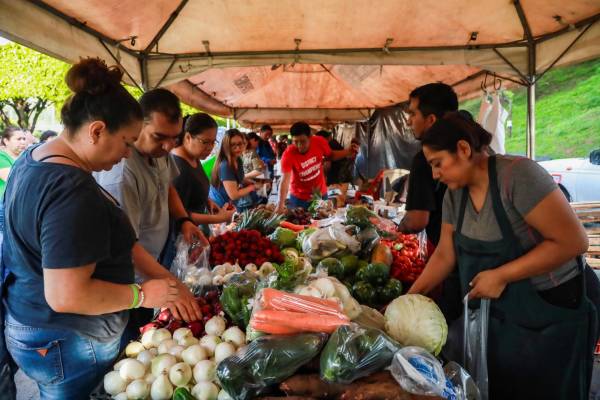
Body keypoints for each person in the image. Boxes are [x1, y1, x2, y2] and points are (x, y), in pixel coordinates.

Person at [1, 58, 180, 399]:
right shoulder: (72, 190)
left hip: (34, 322)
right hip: (66, 337)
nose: (128, 155)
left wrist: (167, 281)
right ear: (97, 130)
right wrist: (142, 295)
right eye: (127, 142)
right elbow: (67, 294)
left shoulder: (36, 157)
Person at [408, 112, 600, 399]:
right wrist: (410, 298)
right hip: (504, 319)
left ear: (463, 149)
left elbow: (573, 241)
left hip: (551, 310)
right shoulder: (453, 195)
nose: (435, 175)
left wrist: (501, 275)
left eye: (438, 164)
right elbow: (445, 255)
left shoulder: (518, 176)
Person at [94, 88, 204, 338]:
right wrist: (173, 286)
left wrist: (184, 219)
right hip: (130, 278)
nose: (167, 146)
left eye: (174, 138)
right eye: (159, 137)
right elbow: (125, 246)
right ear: (137, 125)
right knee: (135, 336)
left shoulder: (159, 153)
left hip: (156, 261)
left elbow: (167, 186)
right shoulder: (121, 173)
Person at [398, 83, 458, 246]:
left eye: (412, 114)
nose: (408, 121)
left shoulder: (423, 158)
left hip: (452, 256)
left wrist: (397, 228)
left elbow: (417, 220)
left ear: (431, 119)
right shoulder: (475, 145)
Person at [277, 122, 358, 212]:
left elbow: (330, 155)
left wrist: (348, 152)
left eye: (303, 141)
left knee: (323, 221)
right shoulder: (288, 154)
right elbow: (285, 180)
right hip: (299, 198)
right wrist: (280, 205)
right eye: (296, 142)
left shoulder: (319, 142)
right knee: (299, 222)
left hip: (321, 194)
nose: (299, 146)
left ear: (310, 137)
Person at [171, 113, 235, 227]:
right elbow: (179, 214)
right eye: (205, 142)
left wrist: (207, 200)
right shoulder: (178, 168)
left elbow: (194, 189)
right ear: (188, 137)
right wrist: (219, 218)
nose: (210, 148)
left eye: (213, 142)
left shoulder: (194, 157)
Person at [209, 129, 260, 211]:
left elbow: (240, 178)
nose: (238, 148)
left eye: (240, 144)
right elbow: (234, 195)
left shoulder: (238, 159)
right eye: (233, 145)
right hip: (219, 207)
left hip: (229, 204)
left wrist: (254, 182)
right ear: (226, 146)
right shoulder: (226, 165)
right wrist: (252, 187)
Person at [315, 130, 354, 206]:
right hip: (342, 178)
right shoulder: (334, 143)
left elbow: (327, 166)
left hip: (338, 180)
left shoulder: (329, 145)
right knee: (339, 202)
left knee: (336, 203)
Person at [0, 127, 27, 198]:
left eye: (24, 139)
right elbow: (13, 179)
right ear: (6, 141)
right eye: (19, 139)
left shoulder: (26, 156)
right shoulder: (1, 157)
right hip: (4, 203)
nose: (23, 142)